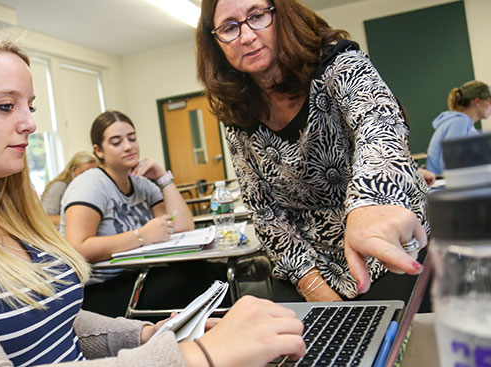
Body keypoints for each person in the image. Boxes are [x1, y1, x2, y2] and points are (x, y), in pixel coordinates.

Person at [0, 29, 305, 367]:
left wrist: (147, 334)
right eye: (5, 106)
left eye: (29, 107)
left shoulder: (2, 209)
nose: (30, 123)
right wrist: (194, 355)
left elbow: (52, 323)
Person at [196, 0, 429, 303]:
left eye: (257, 16)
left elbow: (378, 123)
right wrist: (313, 285)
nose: (247, 36)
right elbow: (264, 211)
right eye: (229, 27)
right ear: (216, 44)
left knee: (400, 335)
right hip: (308, 262)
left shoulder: (340, 64)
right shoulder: (238, 115)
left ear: (281, 15)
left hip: (384, 239)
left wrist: (369, 204)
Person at [61, 111, 227, 317]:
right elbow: (77, 248)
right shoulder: (90, 184)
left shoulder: (141, 182)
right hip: (100, 291)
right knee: (194, 278)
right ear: (99, 151)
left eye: (132, 138)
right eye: (116, 142)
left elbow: (183, 226)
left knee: (207, 270)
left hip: (139, 275)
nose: (129, 146)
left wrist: (162, 177)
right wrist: (142, 236)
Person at [425, 80, 491, 175]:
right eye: (490, 101)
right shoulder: (460, 122)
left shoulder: (461, 122)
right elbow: (452, 163)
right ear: (477, 101)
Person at [41, 151, 98, 226]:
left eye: (91, 174)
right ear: (72, 170)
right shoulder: (59, 186)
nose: (87, 178)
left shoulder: (89, 190)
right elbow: (45, 218)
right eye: (82, 173)